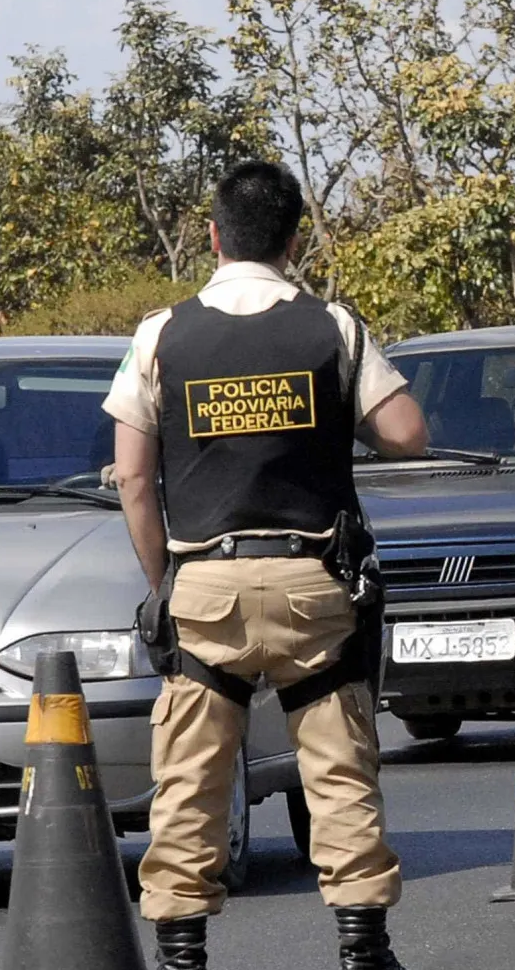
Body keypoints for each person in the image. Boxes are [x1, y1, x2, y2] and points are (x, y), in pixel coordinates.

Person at [104, 160, 429, 970]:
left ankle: (182, 955)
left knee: (189, 784)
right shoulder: (332, 328)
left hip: (205, 584)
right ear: (293, 241)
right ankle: (363, 948)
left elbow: (135, 479)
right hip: (312, 583)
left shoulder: (162, 334)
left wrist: (164, 586)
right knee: (339, 772)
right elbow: (408, 434)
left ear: (212, 237)